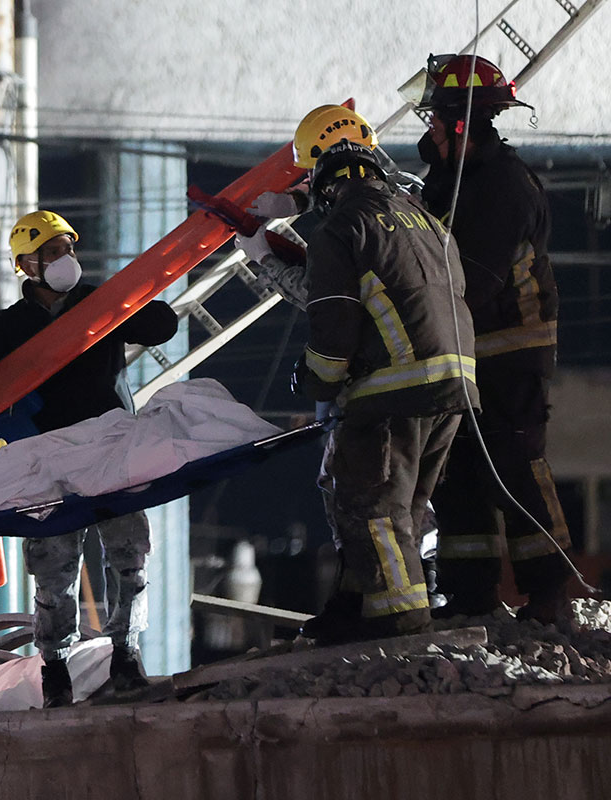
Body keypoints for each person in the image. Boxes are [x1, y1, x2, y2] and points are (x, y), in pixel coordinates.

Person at [0, 210, 178, 707]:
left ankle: (127, 655)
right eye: (52, 253)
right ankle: (55, 667)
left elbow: (161, 324)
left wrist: (125, 305)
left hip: (110, 447)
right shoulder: (10, 328)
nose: (65, 260)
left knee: (130, 558)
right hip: (47, 462)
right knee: (54, 570)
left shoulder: (100, 304)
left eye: (68, 249)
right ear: (27, 266)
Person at [239, 118, 479, 644]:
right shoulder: (423, 218)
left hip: (392, 390)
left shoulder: (340, 229)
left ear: (322, 182)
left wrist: (314, 379)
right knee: (405, 508)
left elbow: (334, 326)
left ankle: (401, 628)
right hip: (453, 385)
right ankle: (354, 607)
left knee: (372, 510)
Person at [411, 54, 572, 624]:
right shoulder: (455, 181)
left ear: (461, 123)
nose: (427, 129)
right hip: (465, 353)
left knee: (513, 464)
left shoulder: (502, 185)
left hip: (509, 352)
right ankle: (470, 594)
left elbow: (470, 279)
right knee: (459, 473)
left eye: (435, 120)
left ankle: (550, 589)